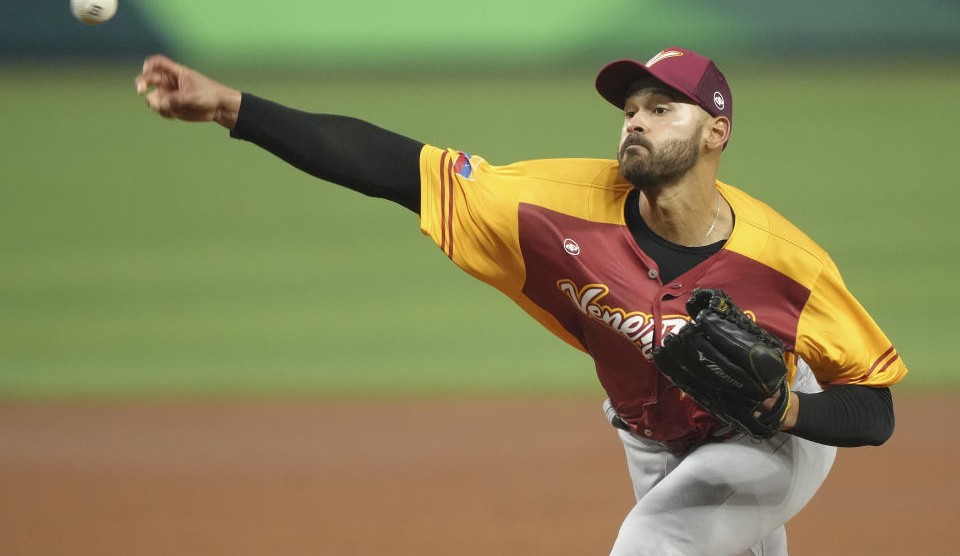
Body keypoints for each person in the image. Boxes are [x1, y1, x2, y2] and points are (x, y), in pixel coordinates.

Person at [135, 47, 907, 556]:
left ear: (717, 134)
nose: (635, 118)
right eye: (630, 106)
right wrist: (231, 106)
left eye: (662, 107)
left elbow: (875, 410)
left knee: (656, 542)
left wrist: (786, 414)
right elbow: (391, 166)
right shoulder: (551, 206)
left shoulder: (786, 263)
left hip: (773, 434)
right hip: (650, 436)